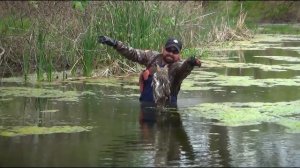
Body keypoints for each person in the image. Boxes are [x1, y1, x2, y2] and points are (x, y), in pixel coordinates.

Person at [98, 35, 201, 104]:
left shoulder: (177, 66)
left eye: (175, 52)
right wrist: (115, 43)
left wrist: (190, 63)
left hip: (167, 110)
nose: (171, 53)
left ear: (179, 55)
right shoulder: (152, 56)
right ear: (162, 49)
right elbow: (133, 54)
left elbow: (184, 69)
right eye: (168, 49)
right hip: (145, 106)